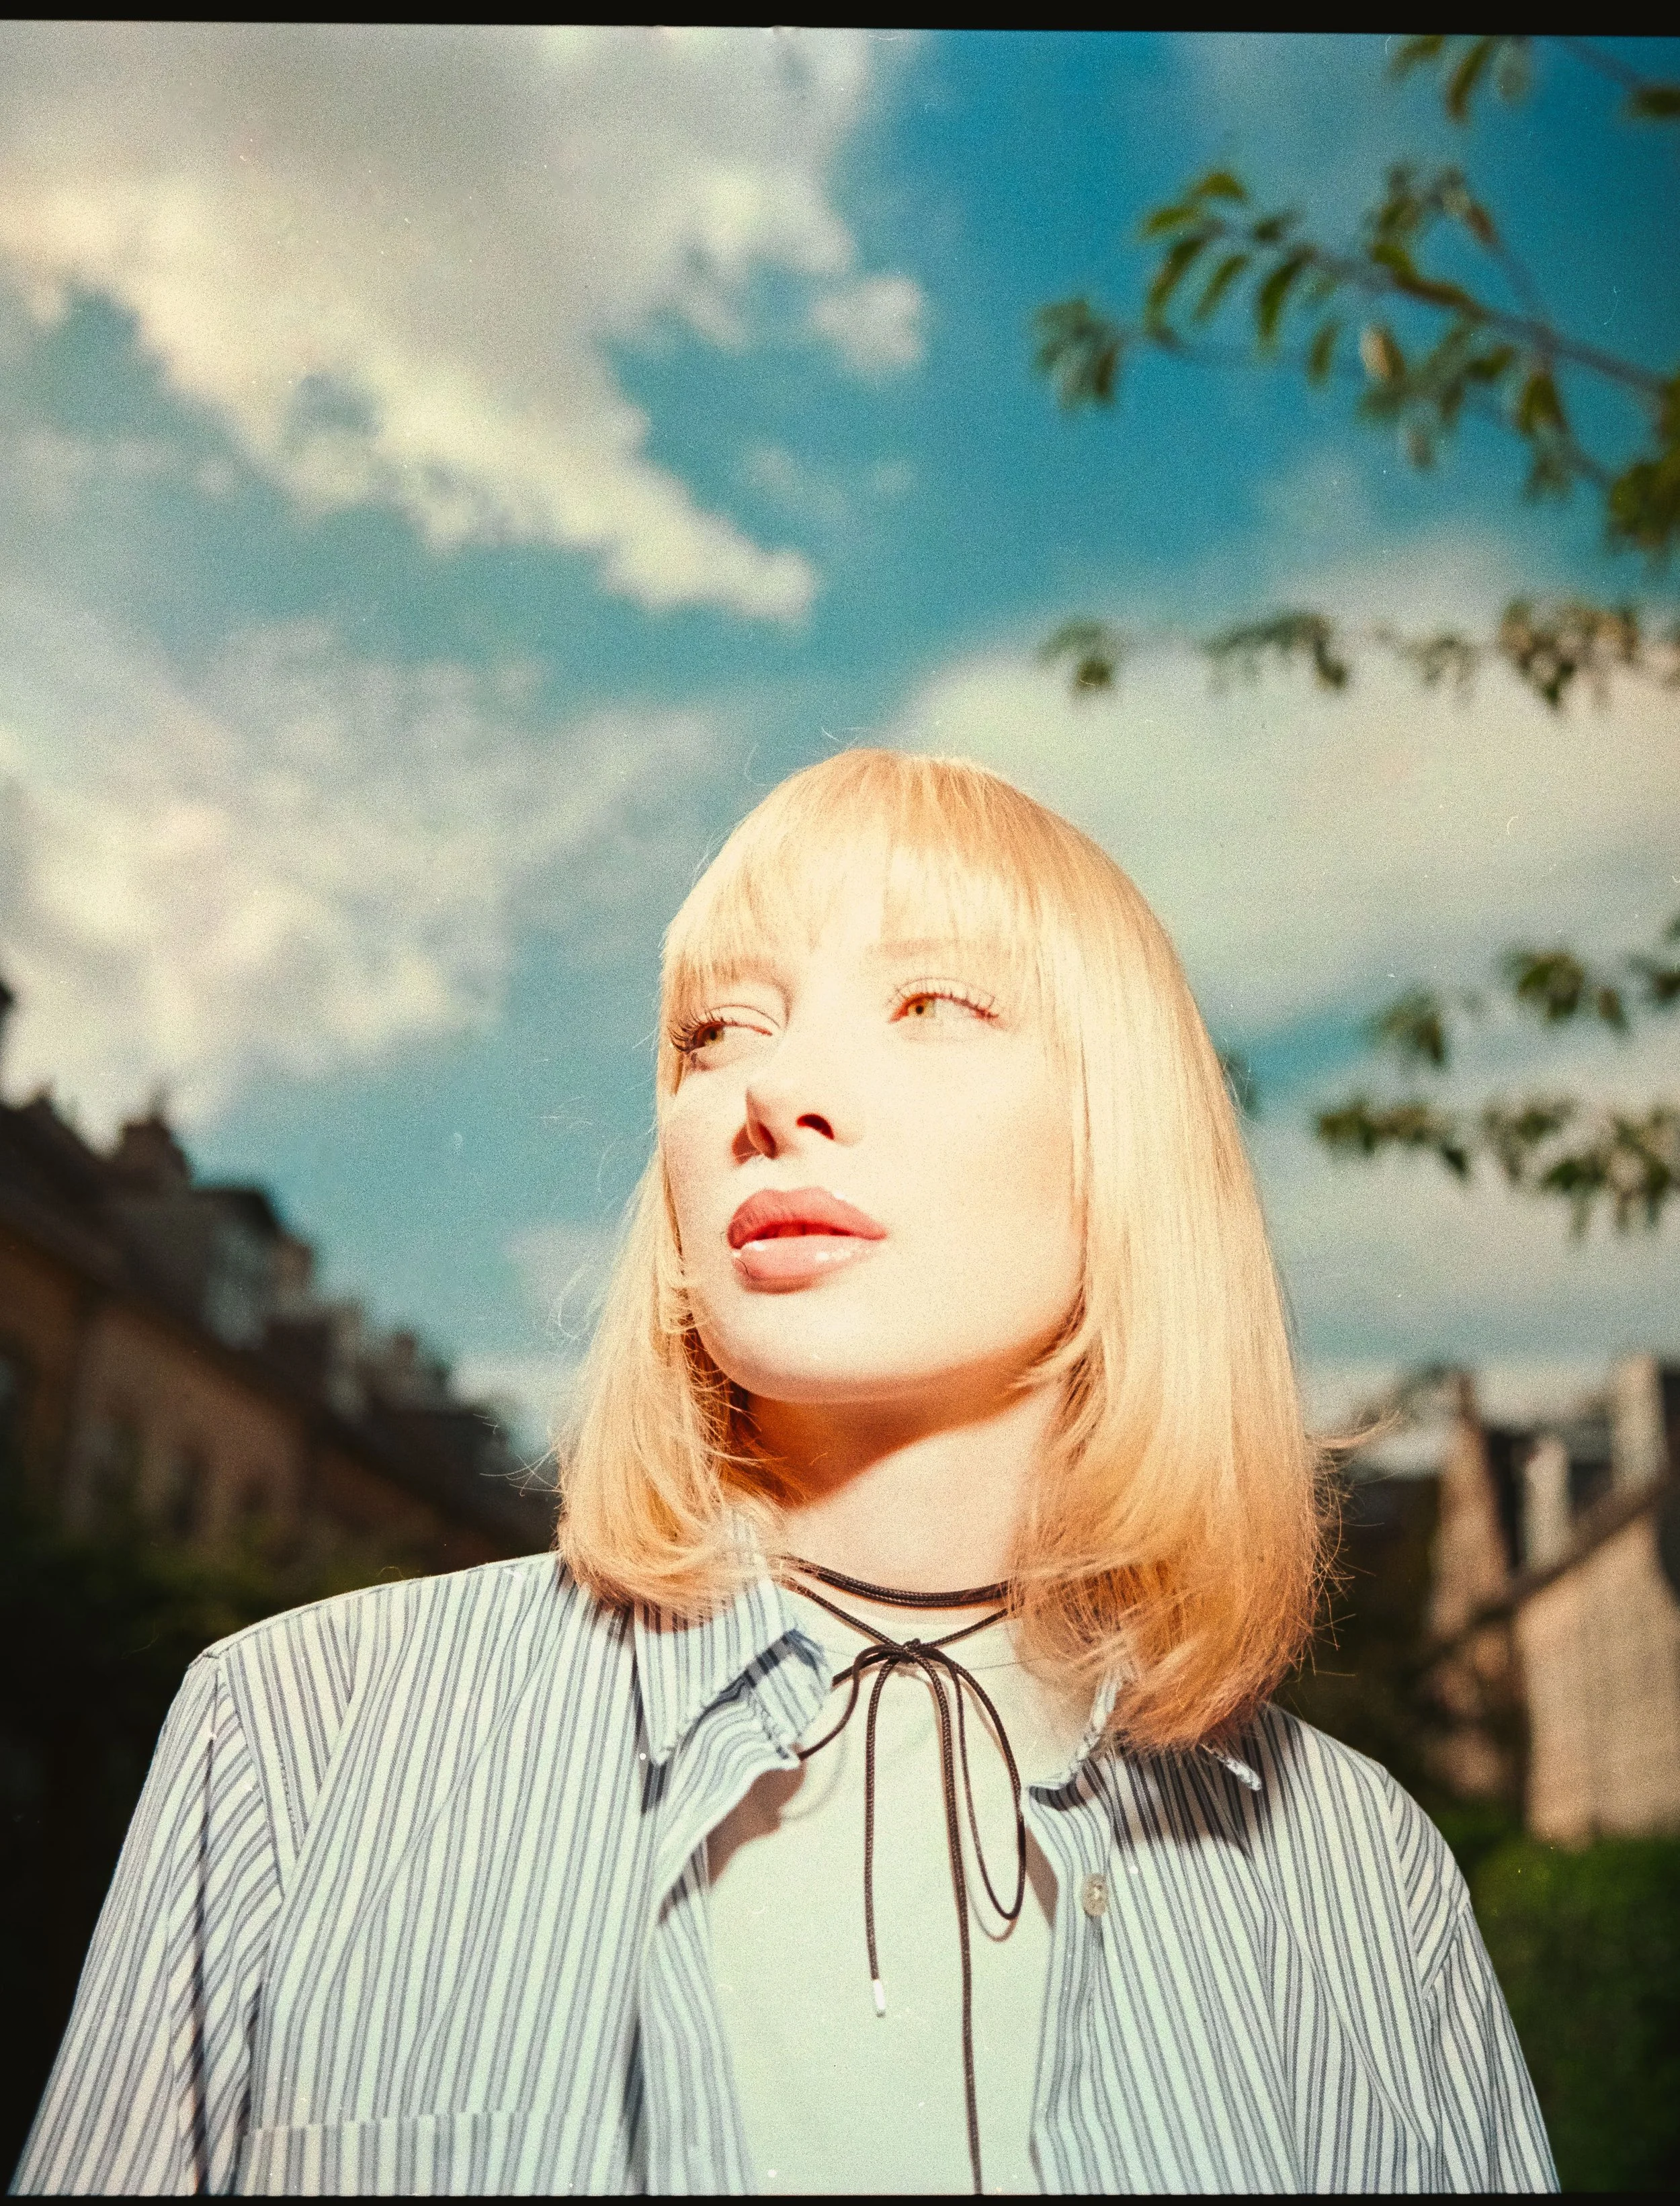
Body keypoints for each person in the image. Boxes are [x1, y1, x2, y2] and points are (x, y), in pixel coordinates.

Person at [13, 749, 1554, 2197]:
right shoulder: (303, 1732)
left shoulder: (1356, 1874)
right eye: (717, 1031)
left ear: (1124, 1142)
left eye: (933, 1001)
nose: (772, 1091)